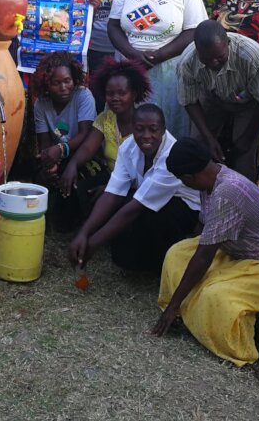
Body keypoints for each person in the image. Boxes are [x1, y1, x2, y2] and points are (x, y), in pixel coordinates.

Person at [153, 138, 259, 365]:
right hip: (241, 252)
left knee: (216, 295)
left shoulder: (227, 192)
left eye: (181, 180)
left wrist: (173, 305)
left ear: (190, 177)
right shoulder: (212, 177)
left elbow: (204, 255)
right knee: (178, 253)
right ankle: (186, 312)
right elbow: (203, 230)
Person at [68, 104, 200, 273]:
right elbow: (112, 194)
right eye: (139, 129)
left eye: (153, 129)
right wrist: (84, 233)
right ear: (132, 128)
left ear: (163, 130)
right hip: (145, 199)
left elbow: (136, 207)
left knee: (148, 218)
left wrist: (92, 244)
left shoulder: (171, 155)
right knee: (107, 202)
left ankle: (161, 266)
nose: (146, 136)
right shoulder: (127, 147)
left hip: (184, 206)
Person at [108, 0, 208, 139]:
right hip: (131, 68)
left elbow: (193, 29)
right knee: (133, 126)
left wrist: (159, 55)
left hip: (171, 69)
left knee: (167, 125)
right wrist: (133, 55)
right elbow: (113, 26)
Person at [177, 20, 259, 183]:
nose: (213, 63)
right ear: (197, 51)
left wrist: (246, 139)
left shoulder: (251, 56)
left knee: (244, 155)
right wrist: (209, 138)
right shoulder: (187, 62)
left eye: (219, 57)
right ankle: (199, 198)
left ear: (228, 44)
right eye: (206, 59)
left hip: (251, 102)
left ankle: (242, 200)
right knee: (198, 145)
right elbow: (189, 101)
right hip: (213, 96)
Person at [59, 59, 151, 218]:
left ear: (134, 94)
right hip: (110, 175)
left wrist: (112, 187)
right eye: (110, 93)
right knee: (76, 176)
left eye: (122, 93)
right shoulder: (105, 118)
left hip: (137, 184)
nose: (115, 98)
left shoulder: (146, 122)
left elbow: (146, 172)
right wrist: (72, 165)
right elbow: (88, 148)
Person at [31, 52, 98, 226]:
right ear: (47, 84)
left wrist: (61, 150)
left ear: (74, 79)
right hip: (58, 156)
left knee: (65, 222)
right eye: (56, 83)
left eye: (67, 81)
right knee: (40, 178)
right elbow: (44, 143)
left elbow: (85, 134)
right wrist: (48, 165)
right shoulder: (41, 103)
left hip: (84, 154)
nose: (63, 87)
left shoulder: (83, 96)